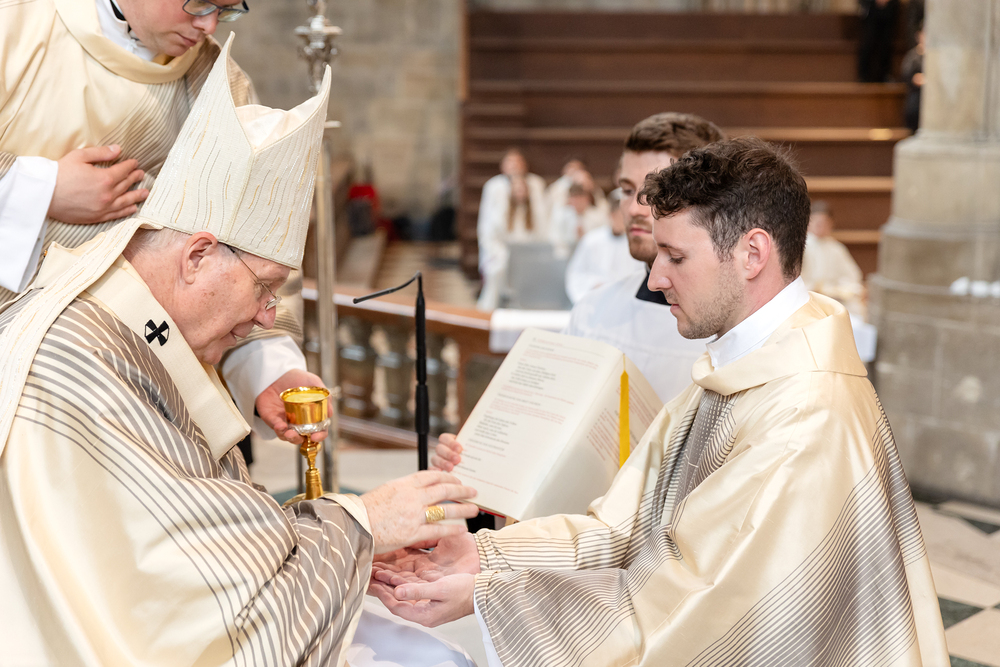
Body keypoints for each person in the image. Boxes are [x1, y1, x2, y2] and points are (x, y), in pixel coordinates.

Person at [371, 137, 949, 667]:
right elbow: (624, 528)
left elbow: (699, 615)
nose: (654, 280)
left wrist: (489, 597)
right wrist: (485, 558)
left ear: (752, 254)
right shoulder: (742, 366)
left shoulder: (805, 413)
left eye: (675, 256)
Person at [0, 45, 480, 665]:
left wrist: (353, 539)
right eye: (265, 288)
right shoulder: (85, 357)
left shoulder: (132, 326)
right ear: (197, 256)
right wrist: (363, 523)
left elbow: (203, 530)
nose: (266, 317)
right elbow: (191, 589)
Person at [0, 0, 316, 452]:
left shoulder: (216, 81)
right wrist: (38, 187)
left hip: (150, 380)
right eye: (200, 3)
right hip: (23, 362)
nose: (208, 25)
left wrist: (268, 367)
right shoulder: (14, 24)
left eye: (228, 10)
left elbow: (252, 248)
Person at [563, 112, 725, 402]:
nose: (634, 209)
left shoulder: (735, 327)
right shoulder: (592, 314)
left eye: (656, 190)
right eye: (627, 190)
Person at [476, 148, 548, 310]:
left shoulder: (535, 189)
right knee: (498, 269)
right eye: (510, 162)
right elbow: (489, 231)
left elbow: (541, 231)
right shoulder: (495, 192)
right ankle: (489, 310)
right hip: (502, 252)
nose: (519, 192)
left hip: (528, 252)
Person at [563, 188, 644, 304]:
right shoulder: (592, 240)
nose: (623, 218)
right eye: (619, 214)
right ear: (611, 214)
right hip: (594, 302)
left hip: (627, 302)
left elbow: (641, 276)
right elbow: (576, 274)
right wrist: (594, 285)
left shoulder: (639, 242)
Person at [801, 200, 866, 316]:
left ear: (831, 223)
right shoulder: (800, 247)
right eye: (816, 222)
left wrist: (838, 291)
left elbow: (852, 278)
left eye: (824, 222)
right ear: (808, 222)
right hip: (807, 298)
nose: (820, 226)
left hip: (833, 299)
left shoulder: (836, 248)